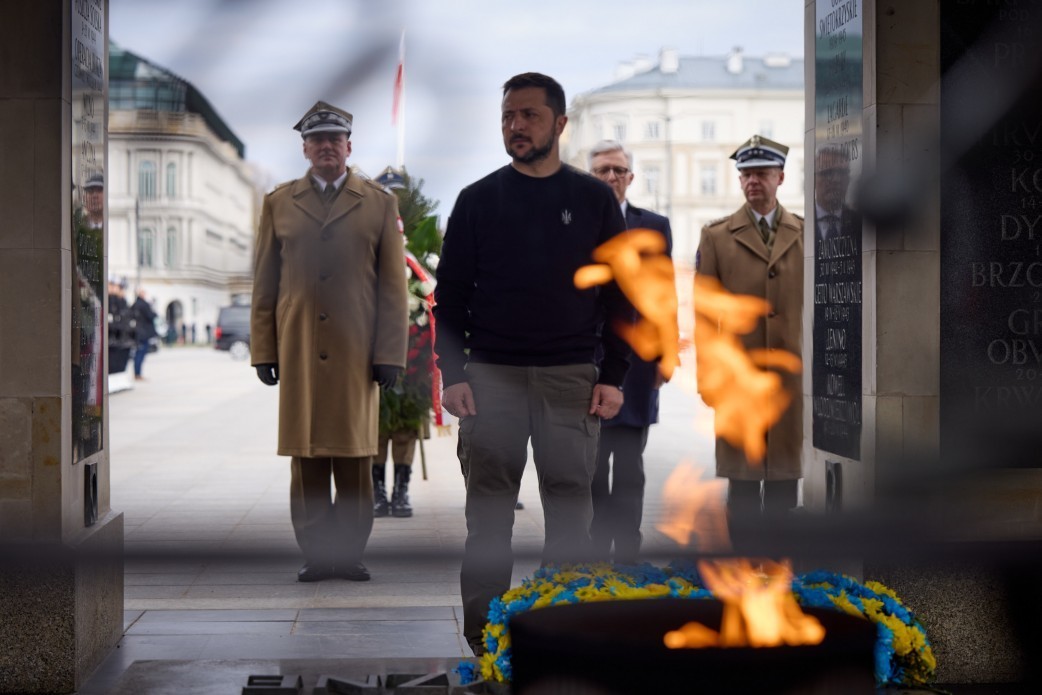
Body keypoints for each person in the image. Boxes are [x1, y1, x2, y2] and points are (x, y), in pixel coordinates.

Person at [434, 72, 631, 654]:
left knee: (572, 517)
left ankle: (559, 632)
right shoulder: (477, 200)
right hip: (490, 381)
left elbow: (622, 296)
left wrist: (614, 376)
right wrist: (456, 373)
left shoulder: (594, 200)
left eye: (529, 115)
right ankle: (485, 638)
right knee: (489, 519)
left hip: (570, 379)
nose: (515, 126)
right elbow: (451, 296)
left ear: (560, 124)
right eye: (507, 117)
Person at [250, 100, 409, 583]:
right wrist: (264, 350)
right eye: (317, 140)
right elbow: (265, 281)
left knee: (357, 458)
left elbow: (393, 288)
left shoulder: (379, 202)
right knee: (308, 459)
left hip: (358, 352)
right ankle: (318, 555)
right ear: (305, 148)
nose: (325, 147)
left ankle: (350, 554)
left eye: (334, 140)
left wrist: (389, 355)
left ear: (348, 146)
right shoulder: (278, 202)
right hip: (298, 348)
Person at [694, 135, 804, 519]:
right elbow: (706, 316)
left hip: (790, 379)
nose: (752, 181)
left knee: (784, 483)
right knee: (741, 483)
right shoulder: (716, 237)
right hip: (738, 380)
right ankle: (741, 570)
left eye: (761, 173)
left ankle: (777, 568)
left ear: (781, 178)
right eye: (746, 174)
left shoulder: (807, 235)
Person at [586, 140, 674, 565]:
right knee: (592, 465)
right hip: (587, 362)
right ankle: (596, 547)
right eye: (602, 170)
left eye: (618, 170)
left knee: (630, 465)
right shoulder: (575, 223)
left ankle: (628, 551)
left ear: (631, 177)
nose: (611, 177)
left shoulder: (654, 226)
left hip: (638, 365)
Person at [130, 289, 158, 381]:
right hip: (144, 333)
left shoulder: (135, 304)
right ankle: (138, 374)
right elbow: (151, 316)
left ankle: (137, 373)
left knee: (138, 353)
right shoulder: (144, 304)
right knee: (141, 353)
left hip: (137, 332)